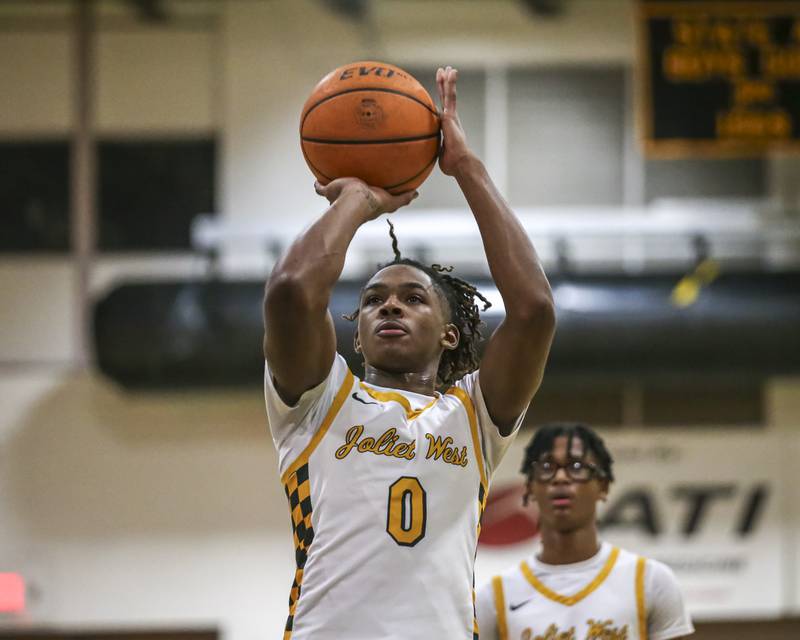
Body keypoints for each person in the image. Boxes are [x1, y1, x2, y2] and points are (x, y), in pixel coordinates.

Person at [263, 66, 556, 640]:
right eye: (373, 300)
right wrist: (356, 201)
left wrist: (465, 168)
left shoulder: (473, 417)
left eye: (413, 298)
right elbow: (292, 291)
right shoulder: (320, 402)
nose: (389, 307)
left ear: (450, 335)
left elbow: (534, 312)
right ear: (357, 329)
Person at [476, 423, 694, 640]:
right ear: (531, 487)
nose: (560, 478)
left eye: (577, 467)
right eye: (546, 468)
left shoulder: (651, 581)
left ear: (603, 485)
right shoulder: (495, 596)